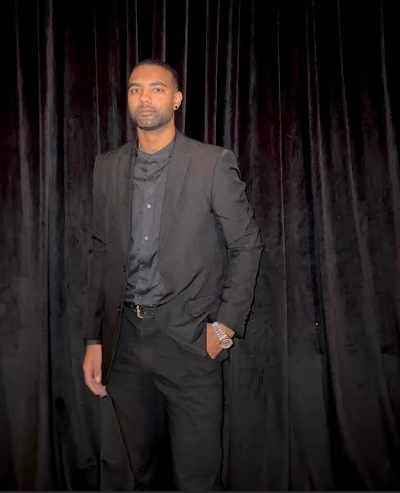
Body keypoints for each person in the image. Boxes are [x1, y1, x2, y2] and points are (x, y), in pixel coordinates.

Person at [82, 59, 264, 491]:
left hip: (189, 342)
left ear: (177, 99)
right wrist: (94, 339)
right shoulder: (107, 166)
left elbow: (247, 245)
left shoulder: (211, 163)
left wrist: (224, 328)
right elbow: (101, 252)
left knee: (197, 479)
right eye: (135, 89)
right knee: (146, 473)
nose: (144, 97)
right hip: (125, 345)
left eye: (157, 89)